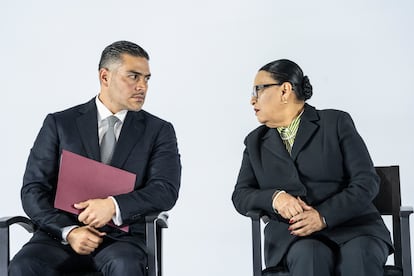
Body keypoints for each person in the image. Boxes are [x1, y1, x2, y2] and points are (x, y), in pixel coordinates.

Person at [9, 40, 181, 275]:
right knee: (24, 265)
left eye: (147, 78)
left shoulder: (159, 130)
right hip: (59, 235)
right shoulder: (60, 124)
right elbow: (33, 189)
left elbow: (165, 189)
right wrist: (68, 230)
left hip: (123, 239)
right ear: (105, 77)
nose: (142, 86)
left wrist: (113, 206)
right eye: (133, 76)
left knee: (124, 264)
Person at [232, 59, 392, 276]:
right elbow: (241, 195)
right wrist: (276, 198)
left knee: (359, 256)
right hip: (296, 237)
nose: (252, 99)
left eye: (258, 90)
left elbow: (367, 182)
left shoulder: (335, 122)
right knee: (310, 256)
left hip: (355, 228)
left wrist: (323, 215)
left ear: (285, 90)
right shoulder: (255, 142)